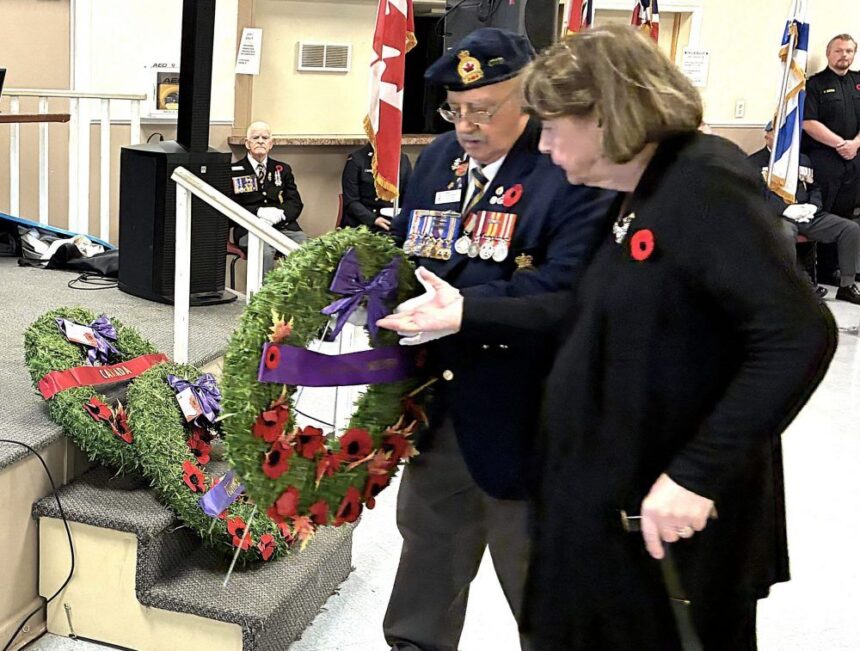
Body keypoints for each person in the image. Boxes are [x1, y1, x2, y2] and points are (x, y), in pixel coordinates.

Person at [379, 25, 837, 650]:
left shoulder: (703, 181)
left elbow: (798, 335)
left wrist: (697, 474)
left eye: (552, 123)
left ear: (604, 115)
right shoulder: (636, 191)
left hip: (673, 522)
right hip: (607, 509)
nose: (542, 144)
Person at [382, 28, 615, 651]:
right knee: (426, 566)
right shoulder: (436, 161)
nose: (466, 124)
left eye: (484, 109)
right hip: (438, 409)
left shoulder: (568, 165)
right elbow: (414, 256)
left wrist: (463, 313)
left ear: (531, 100)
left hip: (532, 418)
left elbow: (570, 294)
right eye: (454, 109)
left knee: (542, 590)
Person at [749, 121, 860, 303]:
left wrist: (813, 206)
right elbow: (758, 196)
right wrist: (786, 209)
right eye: (778, 133)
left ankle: (847, 285)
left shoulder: (802, 159)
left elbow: (814, 188)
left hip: (807, 214)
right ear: (766, 135)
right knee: (785, 233)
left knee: (849, 229)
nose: (783, 138)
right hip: (777, 217)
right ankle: (793, 286)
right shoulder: (754, 163)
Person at [230, 121, 306, 272]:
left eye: (265, 138)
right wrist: (258, 212)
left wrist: (281, 214)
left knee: (308, 249)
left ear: (271, 144)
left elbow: (295, 202)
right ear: (247, 143)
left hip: (282, 227)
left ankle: (297, 295)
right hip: (249, 229)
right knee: (264, 253)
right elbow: (231, 206)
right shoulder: (234, 171)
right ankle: (265, 295)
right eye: (255, 137)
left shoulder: (282, 169)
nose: (260, 141)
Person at [803, 34, 860, 220]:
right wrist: (842, 144)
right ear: (828, 54)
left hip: (854, 159)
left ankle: (842, 251)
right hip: (825, 160)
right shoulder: (814, 84)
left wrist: (855, 144)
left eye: (849, 51)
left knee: (847, 216)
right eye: (838, 50)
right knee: (822, 215)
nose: (844, 55)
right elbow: (808, 122)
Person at [340, 143, 412, 232]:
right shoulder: (357, 159)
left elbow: (409, 196)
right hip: (362, 225)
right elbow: (351, 201)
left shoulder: (402, 159)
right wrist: (373, 220)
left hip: (392, 223)